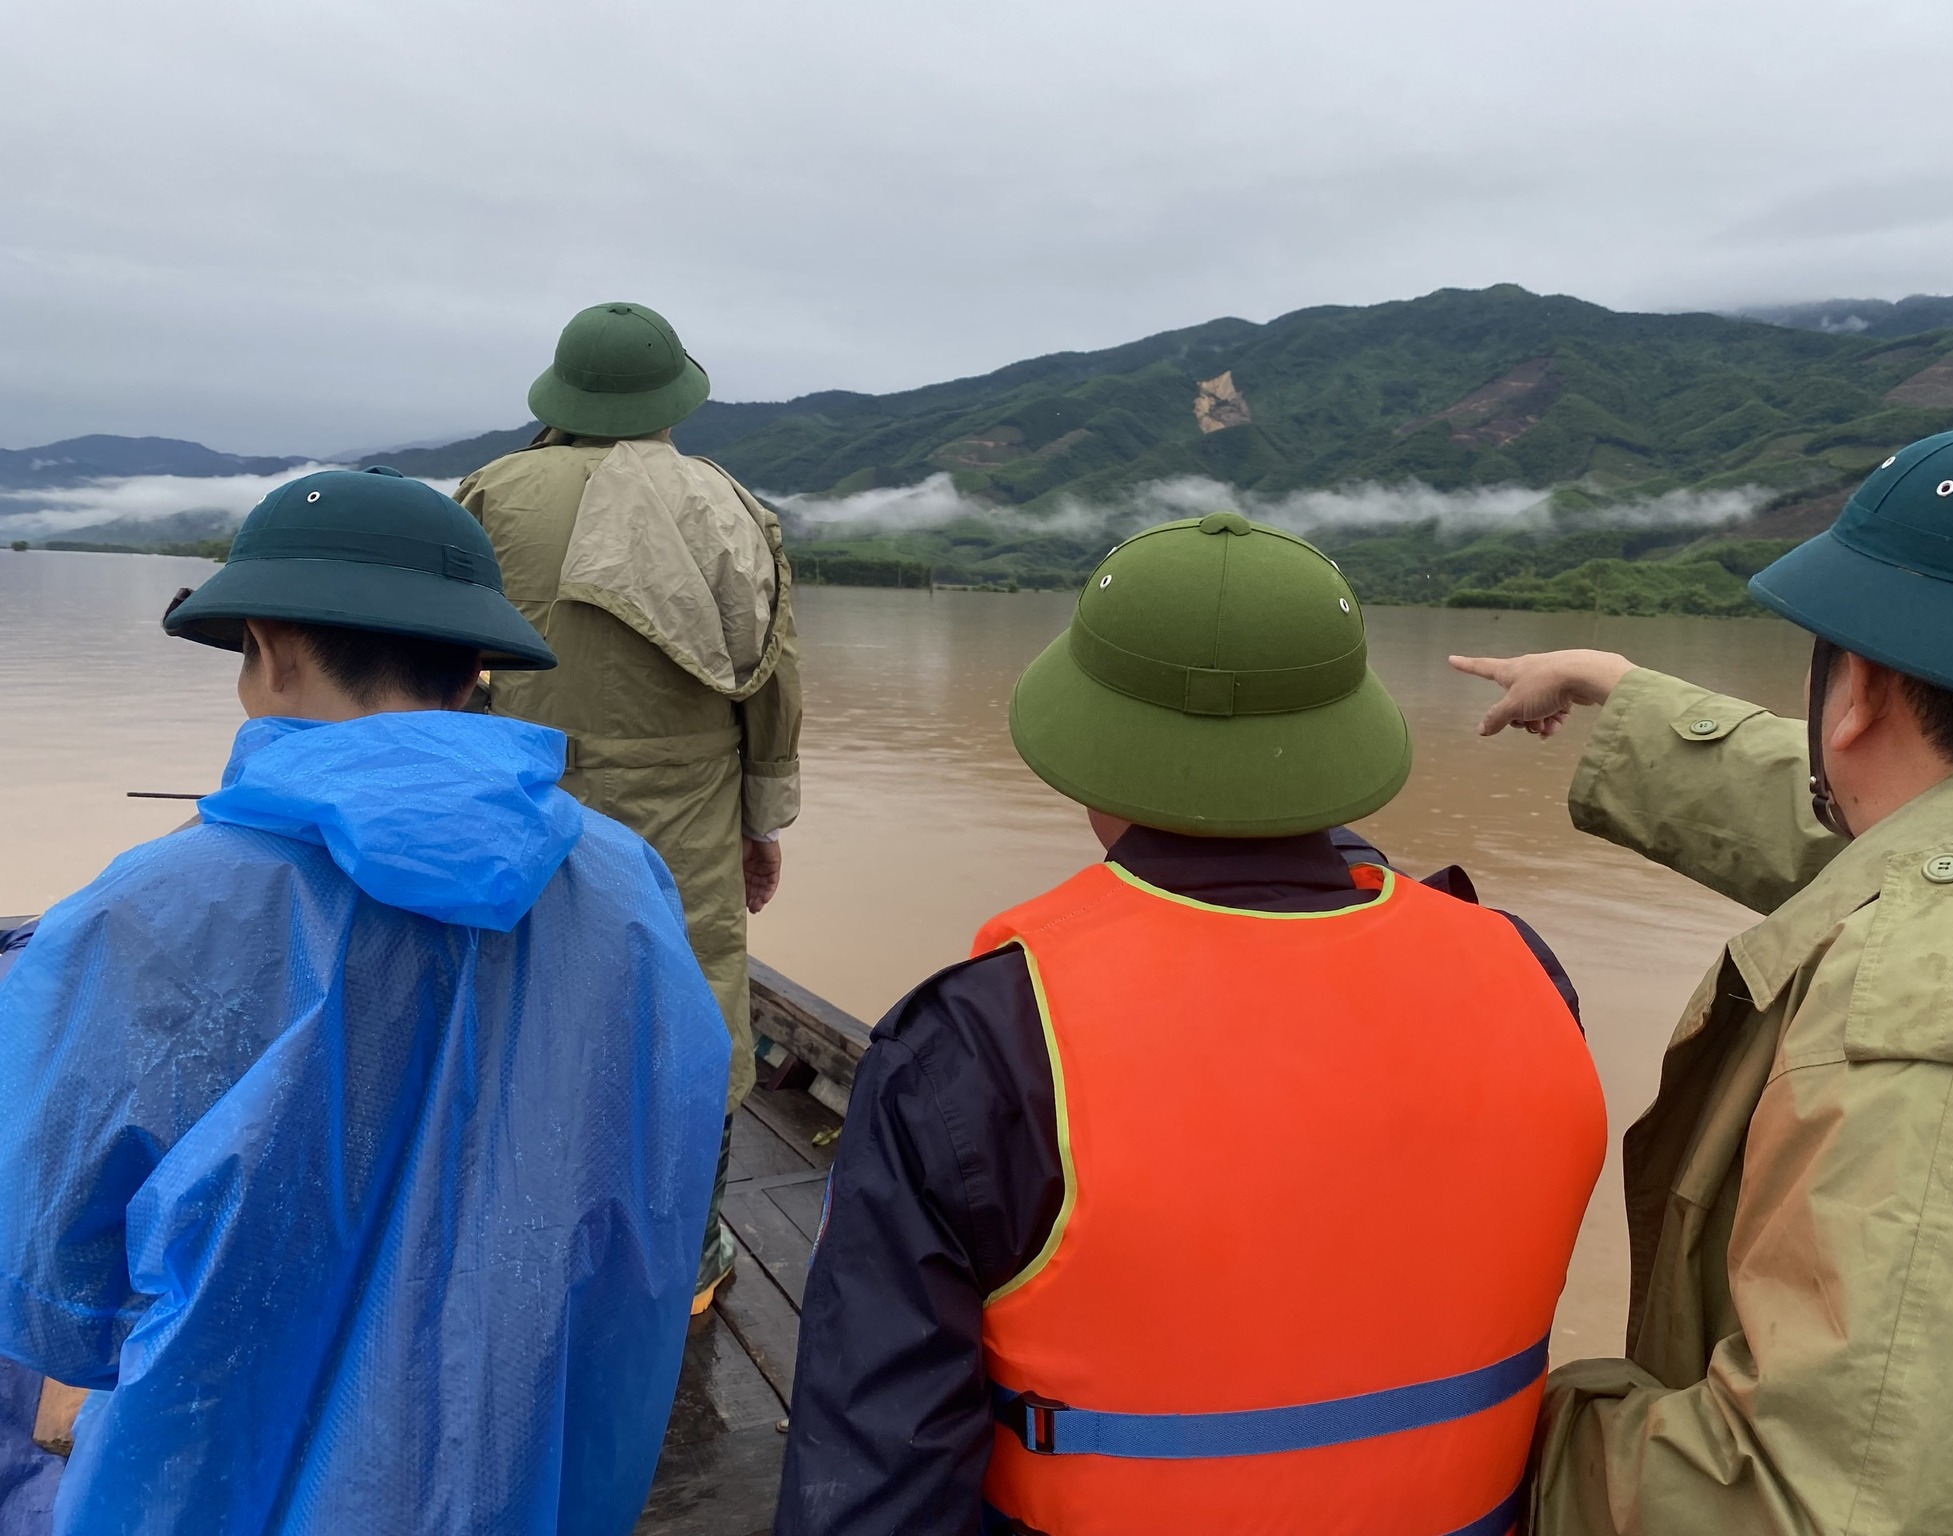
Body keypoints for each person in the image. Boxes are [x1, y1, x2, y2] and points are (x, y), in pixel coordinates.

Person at [777, 512, 1608, 1536]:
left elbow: (874, 1477)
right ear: (1339, 741)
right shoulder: (1526, 972)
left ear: (1090, 750)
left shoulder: (984, 1039)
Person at [0, 468, 730, 1536]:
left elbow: (53, 1287)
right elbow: (656, 1182)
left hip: (209, 1480)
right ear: (477, 667)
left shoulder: (147, 913)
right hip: (530, 1464)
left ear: (272, 646)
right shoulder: (627, 881)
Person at [1451, 419, 1953, 1534]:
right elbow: (1903, 831)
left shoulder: (1947, 994)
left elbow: (1818, 1502)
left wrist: (1487, 1434)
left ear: (1854, 689)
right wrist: (1617, 688)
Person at [457, 300, 802, 1311]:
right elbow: (772, 679)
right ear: (670, 399)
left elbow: (435, 655)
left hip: (513, 782)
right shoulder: (727, 503)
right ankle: (690, 1255)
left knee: (511, 982)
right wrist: (761, 819)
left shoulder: (489, 491)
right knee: (693, 1000)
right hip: (685, 797)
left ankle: (510, 1221)